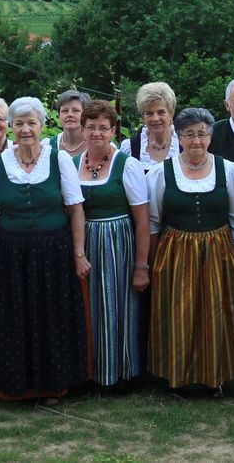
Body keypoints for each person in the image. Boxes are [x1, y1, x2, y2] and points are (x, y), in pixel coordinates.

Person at [0, 97, 89, 404]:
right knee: (14, 317)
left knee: (51, 316)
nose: (25, 129)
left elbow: (76, 210)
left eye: (31, 123)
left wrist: (78, 254)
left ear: (42, 125)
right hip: (11, 253)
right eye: (19, 124)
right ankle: (16, 385)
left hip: (53, 251)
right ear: (11, 128)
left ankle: (52, 385)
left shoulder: (59, 159)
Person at [146, 108, 234, 397]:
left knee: (215, 311)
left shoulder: (229, 170)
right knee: (179, 312)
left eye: (201, 134)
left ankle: (213, 376)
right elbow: (153, 221)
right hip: (176, 250)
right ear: (178, 137)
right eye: (189, 135)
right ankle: (179, 376)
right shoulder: (160, 173)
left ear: (210, 137)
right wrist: (154, 261)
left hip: (217, 249)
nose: (196, 141)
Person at [75, 100, 150, 390]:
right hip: (83, 243)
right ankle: (89, 372)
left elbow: (143, 220)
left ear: (114, 130)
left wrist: (141, 266)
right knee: (86, 307)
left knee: (117, 307)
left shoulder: (127, 165)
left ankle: (119, 372)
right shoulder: (71, 164)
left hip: (118, 244)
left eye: (103, 128)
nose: (96, 133)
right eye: (91, 127)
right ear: (82, 130)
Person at [120, 82, 180, 171]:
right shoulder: (130, 148)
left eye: (161, 112)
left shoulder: (183, 146)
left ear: (171, 114)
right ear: (143, 117)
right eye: (149, 113)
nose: (155, 118)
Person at [50, 89, 90, 157]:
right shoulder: (48, 146)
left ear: (85, 115)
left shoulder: (99, 145)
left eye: (75, 110)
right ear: (59, 116)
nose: (70, 114)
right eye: (65, 111)